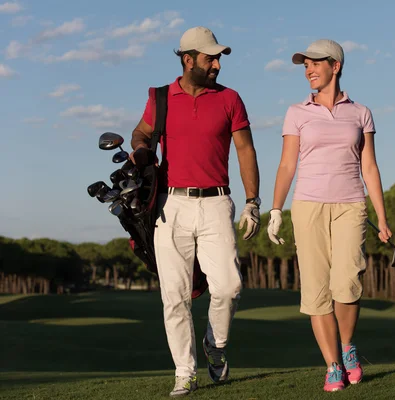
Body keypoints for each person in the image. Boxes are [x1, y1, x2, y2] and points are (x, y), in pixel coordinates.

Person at [130, 26, 261, 397]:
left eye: (218, 57)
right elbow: (140, 132)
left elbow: (245, 150)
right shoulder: (160, 97)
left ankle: (215, 345)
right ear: (188, 60)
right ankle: (184, 371)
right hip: (171, 205)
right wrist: (142, 151)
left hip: (217, 203)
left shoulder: (230, 99)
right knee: (174, 295)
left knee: (230, 287)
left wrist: (253, 202)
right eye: (210, 58)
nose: (217, 64)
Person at [267, 39, 392, 392]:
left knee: (348, 283)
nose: (308, 70)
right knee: (316, 290)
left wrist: (382, 217)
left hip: (351, 205)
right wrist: (276, 209)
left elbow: (369, 165)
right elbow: (288, 163)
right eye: (305, 65)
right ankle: (333, 365)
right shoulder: (296, 112)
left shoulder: (360, 112)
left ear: (335, 66)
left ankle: (349, 348)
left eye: (314, 64)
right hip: (308, 206)